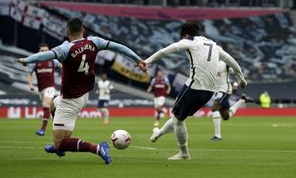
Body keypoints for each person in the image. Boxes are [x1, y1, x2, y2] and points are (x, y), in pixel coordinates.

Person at [17, 17, 146, 164]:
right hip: (84, 95)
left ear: (67, 32)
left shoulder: (66, 48)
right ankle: (59, 144)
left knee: (60, 143)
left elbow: (46, 55)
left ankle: (97, 148)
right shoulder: (94, 42)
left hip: (70, 100)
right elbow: (119, 47)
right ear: (83, 30)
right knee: (53, 104)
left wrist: (28, 60)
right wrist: (137, 60)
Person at [146, 22, 247, 160]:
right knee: (178, 117)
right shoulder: (214, 45)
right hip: (209, 91)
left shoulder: (190, 41)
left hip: (194, 86)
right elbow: (232, 61)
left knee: (178, 119)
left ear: (185, 34)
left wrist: (147, 61)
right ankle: (159, 133)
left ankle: (184, 153)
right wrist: (241, 79)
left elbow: (165, 51)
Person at [210, 61, 254, 141]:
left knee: (215, 108)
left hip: (225, 90)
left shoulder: (224, 63)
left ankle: (218, 136)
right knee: (226, 116)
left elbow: (237, 71)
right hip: (217, 91)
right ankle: (242, 101)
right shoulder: (210, 63)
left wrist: (235, 84)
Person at [27, 43, 62, 136]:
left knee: (45, 104)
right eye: (42, 51)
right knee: (50, 108)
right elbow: (29, 73)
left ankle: (42, 130)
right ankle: (57, 121)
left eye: (46, 50)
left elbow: (62, 67)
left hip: (50, 87)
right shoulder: (35, 62)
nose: (44, 52)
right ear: (39, 52)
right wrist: (30, 84)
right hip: (41, 90)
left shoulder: (53, 61)